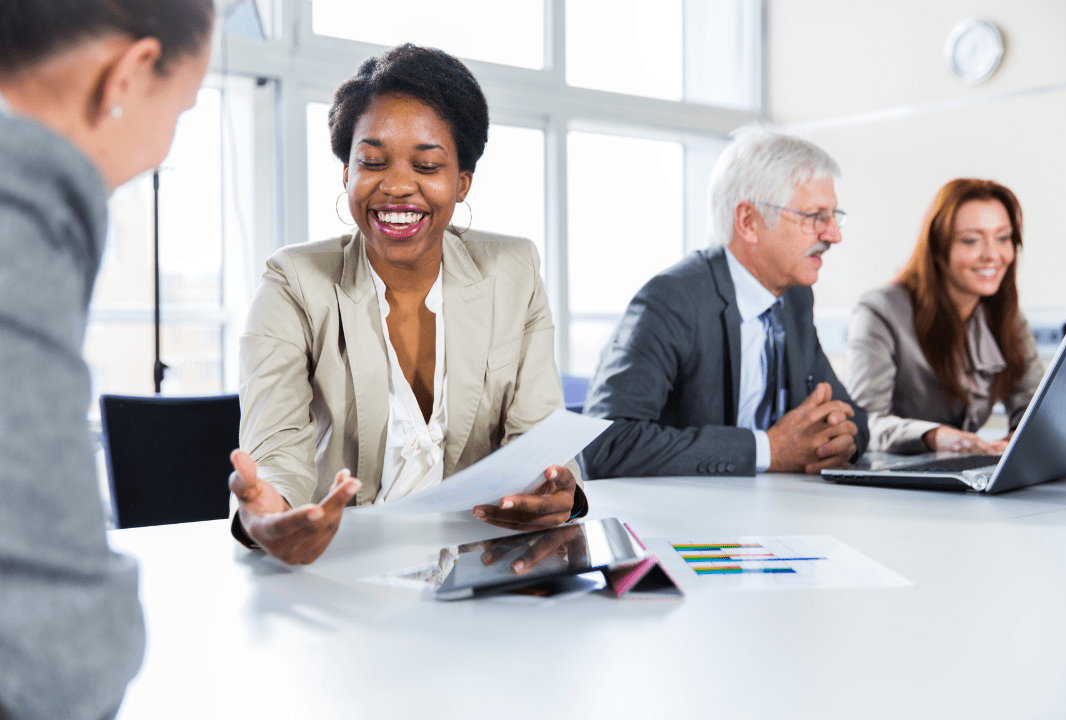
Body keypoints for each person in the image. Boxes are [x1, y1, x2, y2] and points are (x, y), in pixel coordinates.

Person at [229, 44, 586, 565]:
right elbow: (276, 454)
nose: (396, 186)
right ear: (346, 175)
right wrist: (268, 514)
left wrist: (556, 489)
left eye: (427, 164)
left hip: (478, 567)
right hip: (342, 567)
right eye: (372, 162)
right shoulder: (293, 283)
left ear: (461, 181)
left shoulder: (513, 271)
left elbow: (540, 442)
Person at [0, 1, 213, 718]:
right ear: (127, 75)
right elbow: (59, 656)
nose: (166, 144)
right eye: (181, 110)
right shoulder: (18, 209)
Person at [582, 129, 868, 479]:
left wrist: (838, 440)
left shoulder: (794, 298)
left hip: (775, 514)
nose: (833, 235)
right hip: (682, 525)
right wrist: (769, 449)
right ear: (748, 222)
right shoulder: (673, 299)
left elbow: (852, 418)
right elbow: (604, 444)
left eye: (833, 216)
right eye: (815, 217)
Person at [846, 179, 1044, 455]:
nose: (992, 255)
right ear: (938, 248)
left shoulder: (1007, 316)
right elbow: (863, 422)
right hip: (894, 479)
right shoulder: (881, 310)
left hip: (961, 477)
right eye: (971, 240)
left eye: (1003, 238)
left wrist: (1020, 442)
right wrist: (932, 436)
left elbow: (1035, 407)